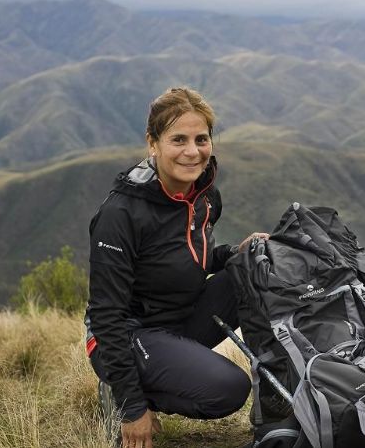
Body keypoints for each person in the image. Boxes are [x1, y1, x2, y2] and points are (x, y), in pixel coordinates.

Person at [84, 87, 268, 448]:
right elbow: (107, 314)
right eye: (178, 139)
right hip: (127, 335)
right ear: (152, 144)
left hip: (178, 320)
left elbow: (188, 260)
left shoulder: (204, 196)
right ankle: (125, 394)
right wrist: (133, 408)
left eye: (201, 139)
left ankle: (282, 397)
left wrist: (235, 253)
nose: (192, 151)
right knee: (229, 389)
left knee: (255, 269)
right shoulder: (121, 214)